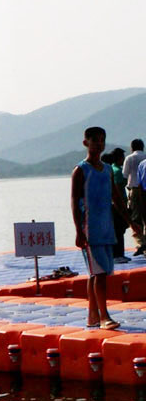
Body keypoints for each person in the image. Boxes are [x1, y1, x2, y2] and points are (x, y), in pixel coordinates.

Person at [72, 127, 141, 329]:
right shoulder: (80, 170)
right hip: (89, 228)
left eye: (102, 140)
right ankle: (104, 316)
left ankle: (92, 315)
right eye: (95, 140)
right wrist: (78, 230)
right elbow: (75, 201)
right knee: (99, 273)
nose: (99, 144)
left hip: (106, 227)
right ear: (86, 143)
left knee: (97, 272)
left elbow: (117, 199)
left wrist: (130, 221)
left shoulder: (108, 169)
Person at [122, 138, 145, 255]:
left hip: (135, 190)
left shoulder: (130, 158)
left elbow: (125, 175)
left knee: (135, 217)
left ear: (132, 147)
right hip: (145, 189)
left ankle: (141, 243)